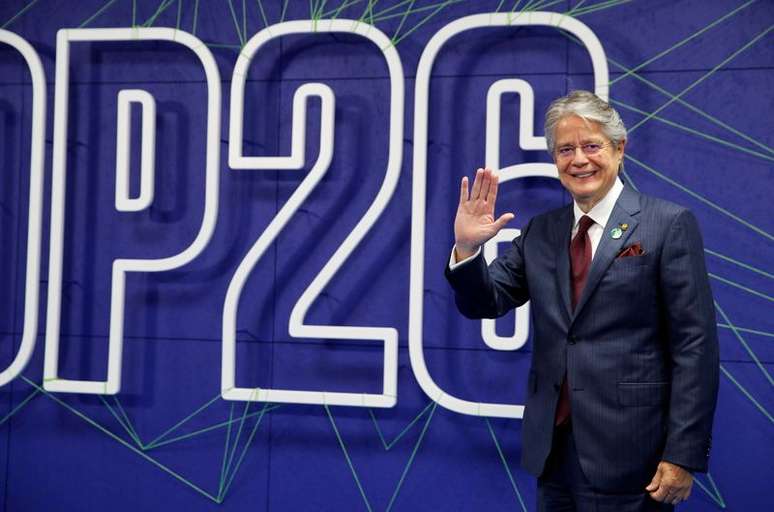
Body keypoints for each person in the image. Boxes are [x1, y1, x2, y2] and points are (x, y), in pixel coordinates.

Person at [445, 90, 719, 511]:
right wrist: (466, 250)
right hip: (552, 452)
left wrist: (682, 452)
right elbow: (486, 302)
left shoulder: (668, 224)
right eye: (565, 149)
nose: (579, 160)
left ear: (619, 149)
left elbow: (694, 346)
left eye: (592, 146)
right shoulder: (542, 232)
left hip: (634, 456)